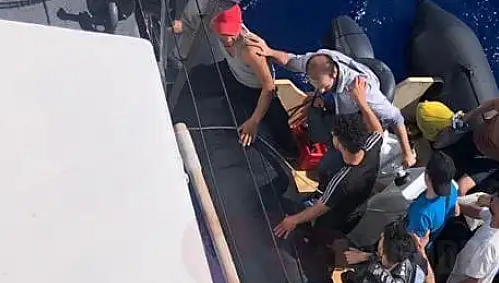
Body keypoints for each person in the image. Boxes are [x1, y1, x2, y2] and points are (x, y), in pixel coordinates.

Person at [249, 40, 415, 169]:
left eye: (323, 87)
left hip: (359, 111)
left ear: (334, 73)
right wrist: (269, 51)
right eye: (316, 86)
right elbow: (290, 60)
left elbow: (396, 117)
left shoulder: (363, 90)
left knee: (322, 137)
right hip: (339, 101)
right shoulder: (318, 60)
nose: (320, 90)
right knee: (314, 110)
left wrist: (407, 153)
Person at [274, 77, 384, 238]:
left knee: (321, 232)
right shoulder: (372, 145)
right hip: (360, 206)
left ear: (341, 144)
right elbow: (378, 130)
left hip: (336, 216)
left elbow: (320, 207)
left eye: (334, 135)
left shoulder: (342, 180)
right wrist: (361, 102)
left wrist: (293, 220)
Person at [172, 5, 275, 147]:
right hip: (232, 72)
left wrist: (254, 122)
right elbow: (194, 25)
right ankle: (174, 116)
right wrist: (178, 26)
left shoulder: (251, 51)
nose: (228, 39)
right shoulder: (212, 24)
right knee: (194, 75)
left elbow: (269, 87)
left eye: (231, 33)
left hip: (253, 90)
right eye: (223, 33)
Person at [406, 152, 459, 243]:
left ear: (427, 176)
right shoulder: (452, 188)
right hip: (436, 231)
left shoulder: (420, 213)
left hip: (423, 237)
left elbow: (416, 243)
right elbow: (456, 212)